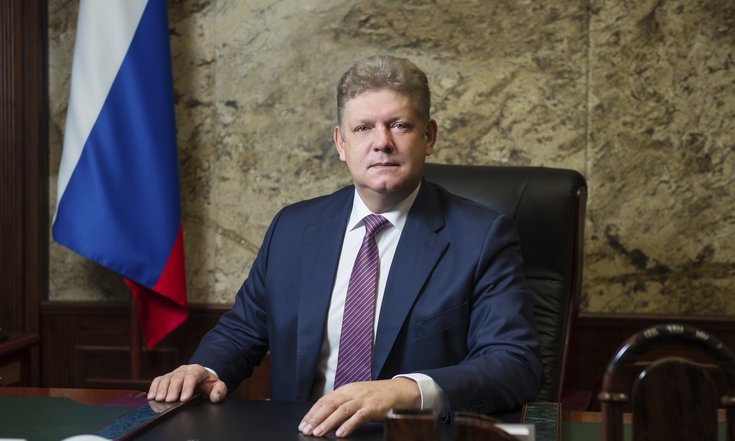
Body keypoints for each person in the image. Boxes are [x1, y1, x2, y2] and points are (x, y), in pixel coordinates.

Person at [147, 54, 542, 438]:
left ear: (429, 137)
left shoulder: (482, 237)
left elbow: (514, 363)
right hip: (302, 432)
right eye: (363, 127)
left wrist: (403, 391)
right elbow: (243, 330)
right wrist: (205, 369)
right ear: (340, 143)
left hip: (408, 435)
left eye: (400, 125)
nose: (382, 142)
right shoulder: (294, 228)